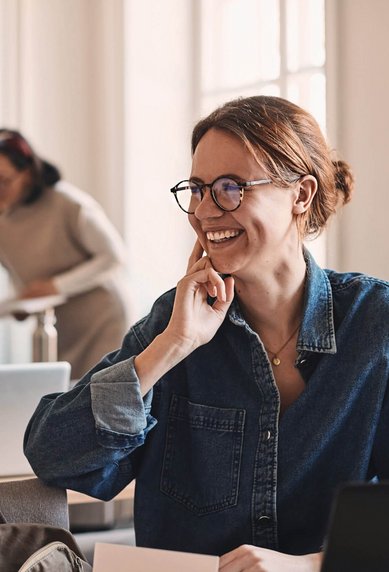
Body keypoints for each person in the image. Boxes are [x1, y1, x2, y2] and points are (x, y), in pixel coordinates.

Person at [24, 96, 389, 571]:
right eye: (196, 189)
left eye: (230, 188)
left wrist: (307, 566)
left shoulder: (375, 324)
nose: (204, 211)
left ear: (301, 195)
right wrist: (172, 347)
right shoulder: (172, 324)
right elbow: (54, 456)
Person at [0, 129, 132, 379]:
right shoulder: (3, 220)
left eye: (2, 181)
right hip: (55, 328)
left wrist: (56, 286)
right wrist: (21, 302)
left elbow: (113, 257)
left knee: (99, 400)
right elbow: (21, 277)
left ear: (27, 174)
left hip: (102, 322)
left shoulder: (69, 204)